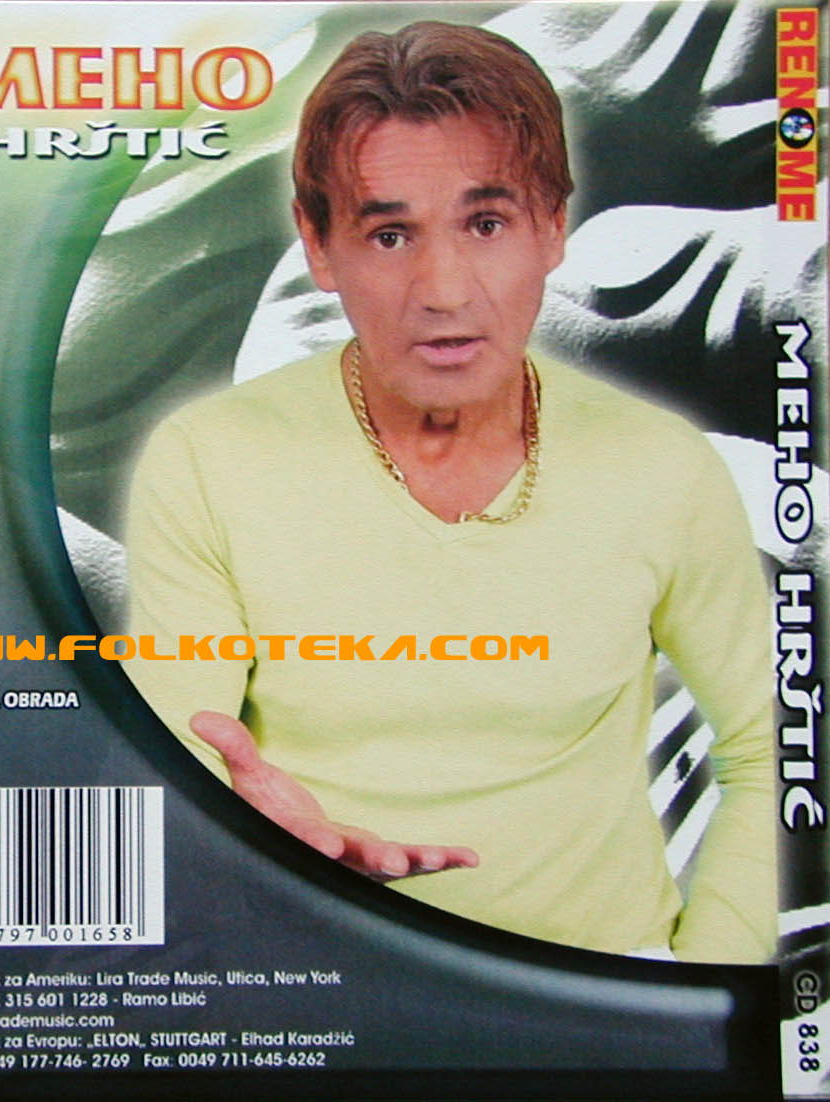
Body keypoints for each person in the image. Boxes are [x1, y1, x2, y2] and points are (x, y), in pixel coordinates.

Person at [124, 21, 774, 963]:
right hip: (322, 989)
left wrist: (704, 996)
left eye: (486, 224)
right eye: (390, 234)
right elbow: (180, 753)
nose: (443, 290)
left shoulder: (662, 466)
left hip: (606, 1006)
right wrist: (246, 839)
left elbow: (765, 747)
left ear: (553, 228)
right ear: (319, 246)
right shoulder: (209, 458)